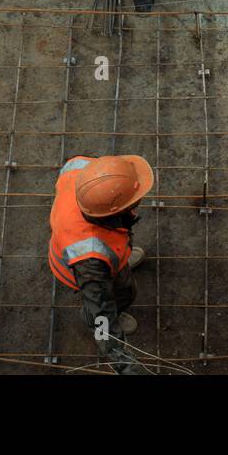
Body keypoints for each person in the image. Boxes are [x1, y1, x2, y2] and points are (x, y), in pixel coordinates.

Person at [47, 154, 154, 375]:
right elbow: (100, 313)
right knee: (123, 293)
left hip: (98, 247)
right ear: (113, 213)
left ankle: (118, 257)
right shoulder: (91, 259)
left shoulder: (81, 171)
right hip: (86, 267)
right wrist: (124, 364)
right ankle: (110, 301)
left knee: (113, 259)